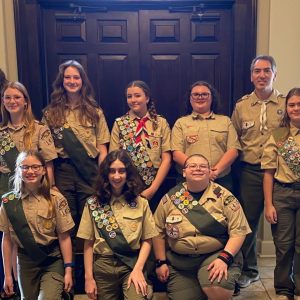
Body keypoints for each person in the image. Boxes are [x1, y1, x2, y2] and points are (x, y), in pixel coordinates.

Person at [153, 154, 251, 300]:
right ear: (184, 172)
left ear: (210, 171)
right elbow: (157, 231)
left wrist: (224, 259)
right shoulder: (171, 198)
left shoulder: (225, 197)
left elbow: (239, 231)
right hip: (182, 264)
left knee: (217, 289)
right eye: (192, 166)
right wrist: (160, 262)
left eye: (203, 166)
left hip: (214, 256)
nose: (197, 169)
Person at [231, 55, 285, 288]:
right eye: (257, 71)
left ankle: (287, 275)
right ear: (251, 75)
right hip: (250, 172)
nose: (261, 75)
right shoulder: (242, 106)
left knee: (282, 225)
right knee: (247, 223)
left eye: (266, 71)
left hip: (282, 174)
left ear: (274, 74)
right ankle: (250, 269)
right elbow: (234, 138)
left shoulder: (286, 104)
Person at [77, 149, 158, 299]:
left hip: (132, 263)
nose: (116, 176)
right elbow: (88, 243)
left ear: (128, 173)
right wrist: (88, 278)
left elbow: (147, 240)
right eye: (112, 171)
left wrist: (138, 269)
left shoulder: (141, 202)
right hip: (103, 265)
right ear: (106, 174)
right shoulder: (93, 203)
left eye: (121, 171)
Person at [43, 60, 110, 231]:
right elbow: (46, 153)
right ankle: (69, 257)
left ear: (82, 81)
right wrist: (51, 184)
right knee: (66, 219)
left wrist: (101, 177)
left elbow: (102, 148)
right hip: (63, 171)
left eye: (76, 77)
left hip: (89, 170)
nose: (72, 81)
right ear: (61, 81)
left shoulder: (95, 112)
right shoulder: (50, 113)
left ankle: (91, 257)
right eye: (67, 77)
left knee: (91, 217)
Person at [0, 150, 74, 299]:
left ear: (43, 170)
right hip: (25, 262)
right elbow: (7, 240)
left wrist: (68, 270)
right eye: (25, 167)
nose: (30, 171)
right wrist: (7, 275)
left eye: (35, 167)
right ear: (18, 170)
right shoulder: (9, 202)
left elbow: (64, 237)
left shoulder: (56, 199)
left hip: (52, 259)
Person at [262, 87, 300, 300]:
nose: (296, 108)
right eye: (292, 105)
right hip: (283, 194)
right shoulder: (277, 135)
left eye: (299, 104)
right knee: (284, 245)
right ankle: (284, 289)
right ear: (286, 109)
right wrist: (269, 204)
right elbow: (268, 172)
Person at [109, 80, 171, 211]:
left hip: (156, 185)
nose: (133, 100)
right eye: (129, 96)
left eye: (137, 95)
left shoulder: (160, 123)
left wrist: (153, 189)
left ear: (147, 98)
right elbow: (114, 159)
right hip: (126, 186)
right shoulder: (120, 123)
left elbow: (167, 159)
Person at [172, 81, 240, 191]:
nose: (200, 97)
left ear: (212, 97)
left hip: (221, 179)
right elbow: (176, 154)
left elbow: (233, 150)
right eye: (196, 94)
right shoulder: (181, 123)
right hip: (188, 181)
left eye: (205, 94)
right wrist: (198, 170)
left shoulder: (225, 121)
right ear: (190, 98)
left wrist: (214, 172)